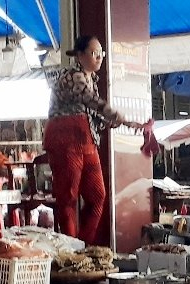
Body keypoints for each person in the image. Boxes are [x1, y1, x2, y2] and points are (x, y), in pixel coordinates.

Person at [43, 35, 142, 242]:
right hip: (65, 140)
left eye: (101, 53)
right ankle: (71, 247)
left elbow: (93, 114)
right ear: (80, 55)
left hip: (86, 141)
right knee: (68, 198)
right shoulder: (73, 76)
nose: (99, 57)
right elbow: (90, 100)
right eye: (94, 53)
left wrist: (112, 122)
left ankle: (83, 244)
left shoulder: (91, 80)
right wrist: (117, 116)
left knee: (98, 196)